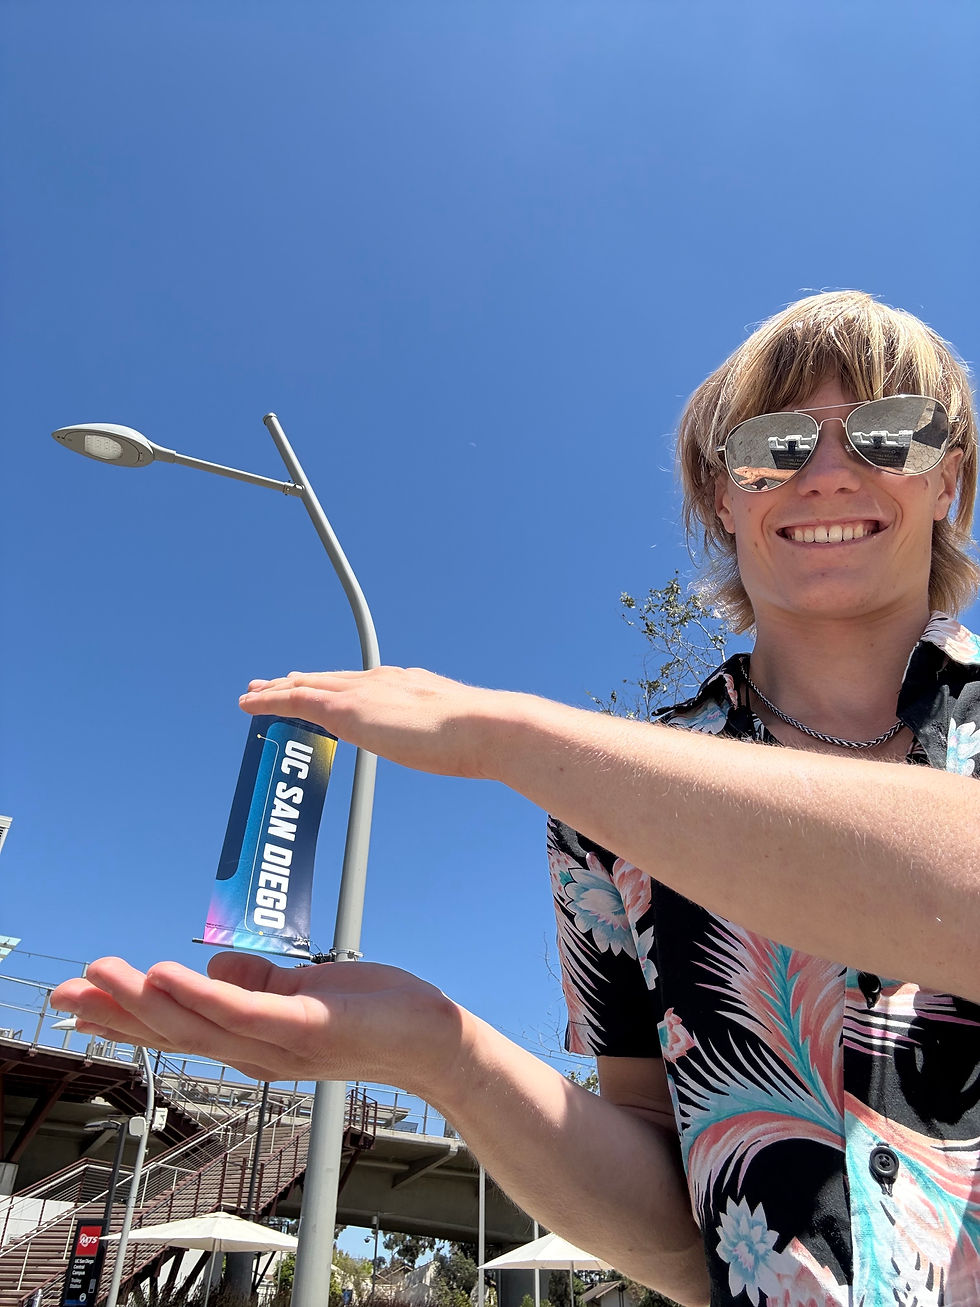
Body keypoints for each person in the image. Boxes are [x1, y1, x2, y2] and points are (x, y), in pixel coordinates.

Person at [53, 292, 980, 1307]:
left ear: (949, 481)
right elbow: (686, 1231)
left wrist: (514, 736)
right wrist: (444, 1056)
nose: (829, 471)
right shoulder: (601, 816)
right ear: (722, 495)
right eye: (775, 443)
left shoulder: (589, 772)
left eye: (891, 433)